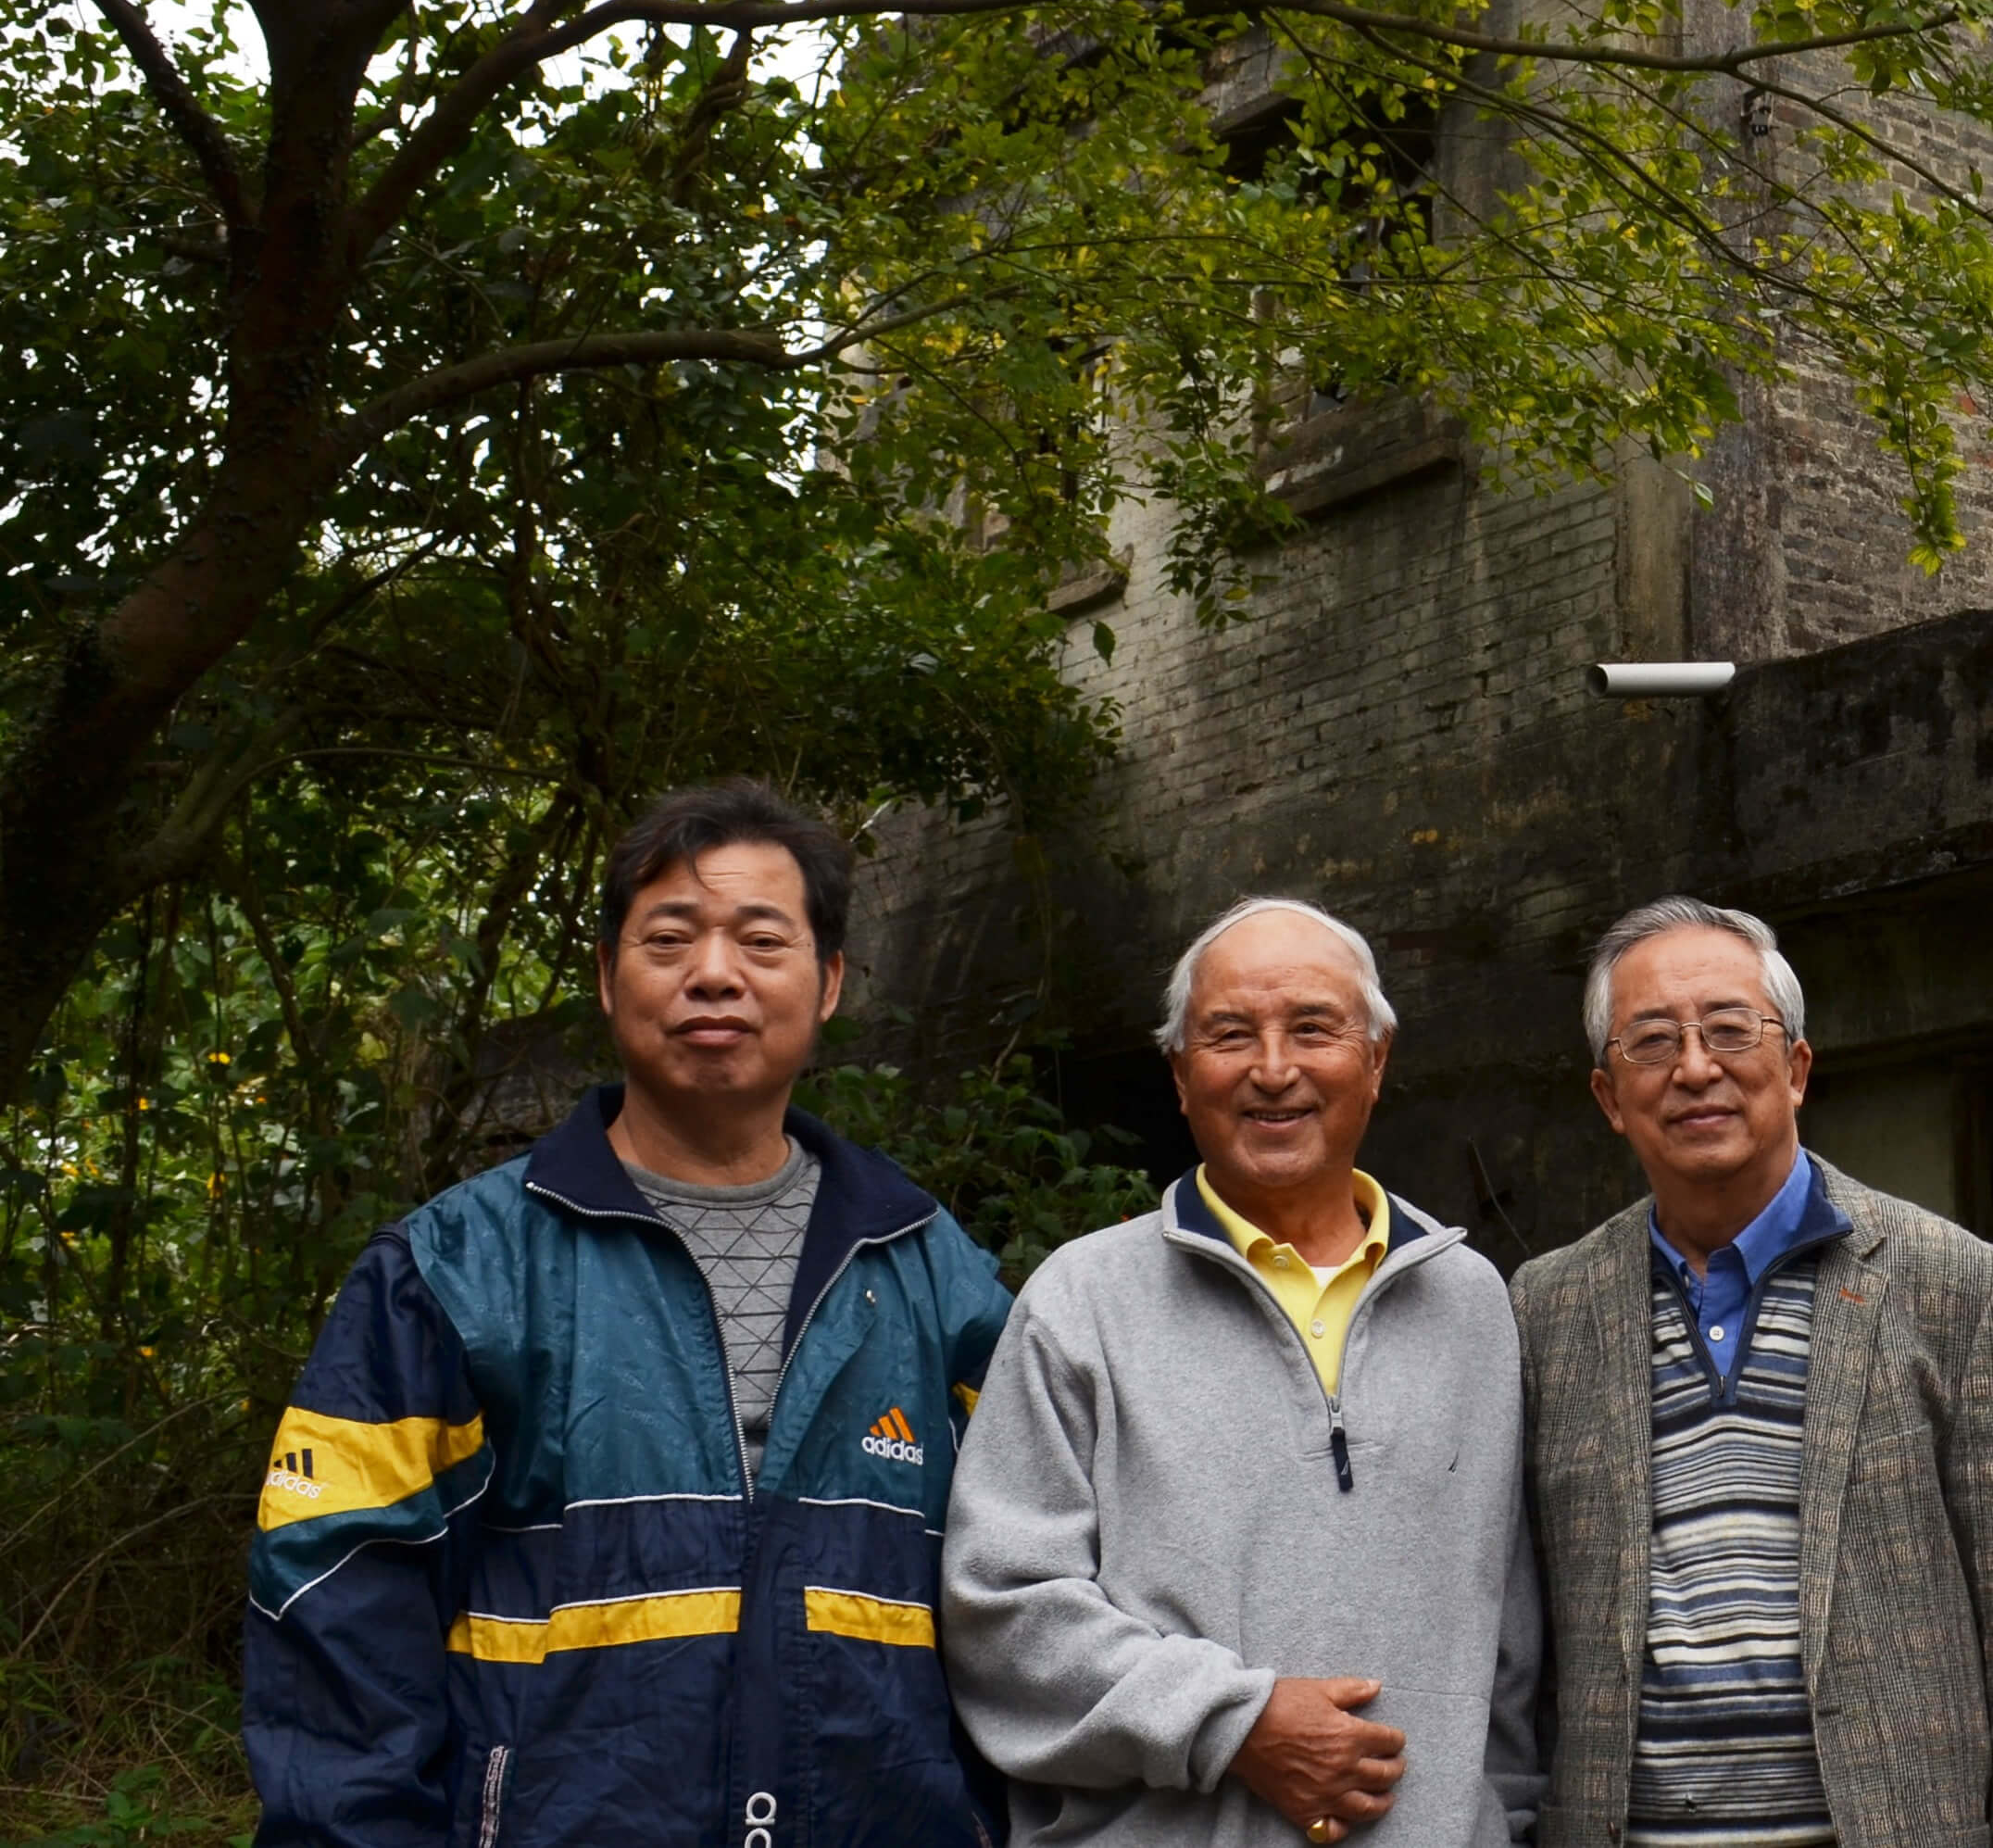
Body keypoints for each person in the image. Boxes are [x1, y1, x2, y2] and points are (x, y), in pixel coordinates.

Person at [244, 779, 1017, 1847]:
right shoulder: (454, 1270)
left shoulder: (936, 1275)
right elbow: (333, 1611)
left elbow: (1034, 1588)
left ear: (829, 980)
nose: (713, 974)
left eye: (760, 939)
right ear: (607, 977)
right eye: (669, 939)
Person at [943, 898, 1540, 1848]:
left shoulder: (1472, 1304)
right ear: (1181, 1076)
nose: (1273, 1068)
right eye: (1229, 1034)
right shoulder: (1082, 1300)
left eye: (1312, 1027)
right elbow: (1002, 1611)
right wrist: (1231, 1722)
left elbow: (1507, 1639)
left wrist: (1494, 1820)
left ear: (1376, 1058)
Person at [1514, 896, 1993, 1848]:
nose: (1695, 1067)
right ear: (1607, 1098)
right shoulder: (1546, 1309)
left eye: (1729, 1030)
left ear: (1794, 1067)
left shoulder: (1965, 1290)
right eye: (1652, 1041)